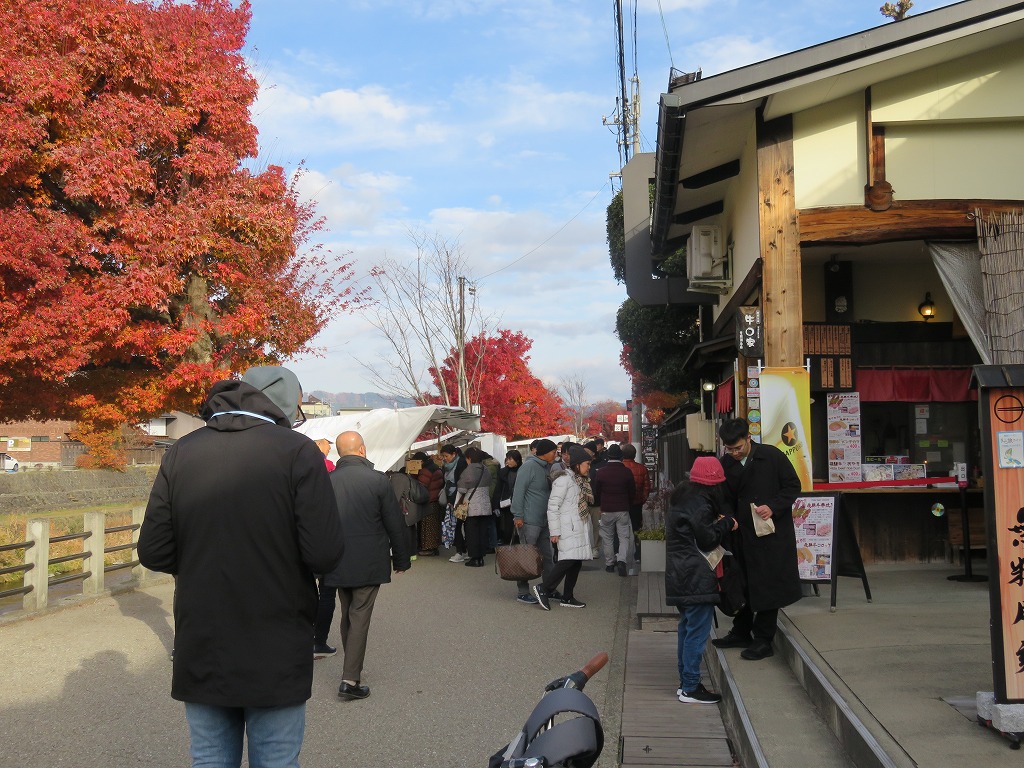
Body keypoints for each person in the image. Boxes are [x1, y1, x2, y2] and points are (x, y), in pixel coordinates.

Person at [138, 366, 345, 767]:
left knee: (209, 758)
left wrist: (202, 557)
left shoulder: (182, 450)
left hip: (203, 634)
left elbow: (154, 551)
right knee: (277, 760)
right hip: (276, 635)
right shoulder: (297, 451)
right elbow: (324, 553)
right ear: (283, 399)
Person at [322, 430, 412, 700]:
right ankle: (350, 679)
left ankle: (351, 667)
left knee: (348, 610)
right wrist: (402, 558)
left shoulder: (326, 481)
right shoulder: (378, 480)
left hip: (335, 559)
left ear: (340, 453)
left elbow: (315, 524)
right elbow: (394, 522)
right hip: (369, 559)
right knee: (359, 614)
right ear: (362, 450)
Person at [711, 418, 803, 661]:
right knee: (742, 583)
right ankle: (741, 631)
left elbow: (793, 486)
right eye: (729, 449)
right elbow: (723, 498)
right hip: (740, 533)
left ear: (749, 438)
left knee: (767, 584)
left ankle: (763, 639)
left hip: (769, 534)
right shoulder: (725, 464)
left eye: (738, 448)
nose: (734, 453)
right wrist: (727, 517)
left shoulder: (771, 456)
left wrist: (773, 506)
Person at [665, 456, 737, 704]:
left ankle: (686, 683)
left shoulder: (682, 497)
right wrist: (728, 523)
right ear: (715, 484)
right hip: (695, 576)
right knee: (696, 632)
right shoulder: (701, 504)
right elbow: (707, 540)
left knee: (686, 629)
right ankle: (690, 688)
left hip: (681, 574)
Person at [533, 445, 594, 610]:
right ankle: (544, 588)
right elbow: (553, 506)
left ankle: (567, 597)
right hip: (567, 528)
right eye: (587, 464)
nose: (589, 467)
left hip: (577, 527)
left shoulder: (579, 480)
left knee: (575, 562)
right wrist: (555, 532)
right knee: (566, 561)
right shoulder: (564, 480)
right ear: (577, 464)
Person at [511, 438, 559, 605]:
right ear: (545, 452)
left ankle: (549, 588)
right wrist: (518, 515)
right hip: (529, 520)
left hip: (545, 519)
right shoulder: (528, 467)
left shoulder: (547, 467)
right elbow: (518, 492)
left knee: (548, 555)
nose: (556, 454)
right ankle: (522, 591)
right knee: (527, 556)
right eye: (553, 451)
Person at [592, 444, 636, 577]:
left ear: (608, 456)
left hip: (606, 509)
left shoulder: (601, 472)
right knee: (624, 537)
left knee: (607, 537)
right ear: (621, 457)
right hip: (622, 509)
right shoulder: (626, 472)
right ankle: (622, 560)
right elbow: (632, 491)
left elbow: (596, 492)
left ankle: (610, 564)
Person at [453, 446, 493, 567]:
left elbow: (462, 488)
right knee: (482, 533)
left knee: (472, 533)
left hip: (472, 506)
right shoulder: (485, 469)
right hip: (485, 505)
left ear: (469, 458)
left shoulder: (468, 470)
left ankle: (475, 558)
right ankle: (481, 557)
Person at [621, 444, 651, 561]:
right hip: (637, 503)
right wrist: (642, 499)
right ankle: (638, 554)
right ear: (635, 454)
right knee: (637, 528)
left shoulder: (620, 467)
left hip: (622, 503)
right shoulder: (642, 468)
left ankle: (620, 555)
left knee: (621, 529)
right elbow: (647, 487)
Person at [439, 444, 468, 562]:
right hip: (451, 496)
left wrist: (452, 500)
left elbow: (460, 483)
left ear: (454, 454)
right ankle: (463, 551)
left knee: (456, 525)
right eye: (443, 456)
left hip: (459, 499)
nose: (445, 458)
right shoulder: (446, 466)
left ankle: (460, 551)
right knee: (455, 524)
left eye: (446, 456)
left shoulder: (461, 463)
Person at [413, 451, 444, 556]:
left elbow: (421, 486)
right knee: (434, 525)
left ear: (420, 461)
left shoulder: (425, 470)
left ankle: (428, 548)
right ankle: (434, 547)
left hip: (429, 501)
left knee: (427, 526)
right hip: (436, 500)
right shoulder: (435, 467)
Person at [492, 450, 522, 545]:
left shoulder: (523, 471)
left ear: (517, 460)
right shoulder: (503, 472)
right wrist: (495, 506)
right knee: (508, 528)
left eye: (510, 459)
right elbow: (498, 489)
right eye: (507, 459)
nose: (508, 461)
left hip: (520, 504)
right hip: (506, 504)